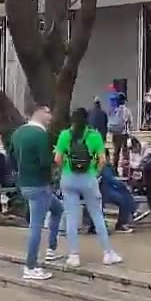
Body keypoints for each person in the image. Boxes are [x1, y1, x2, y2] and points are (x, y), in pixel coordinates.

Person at [55, 107, 122, 268]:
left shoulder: (65, 135)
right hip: (88, 179)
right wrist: (95, 173)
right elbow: (103, 160)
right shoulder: (94, 136)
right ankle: (107, 253)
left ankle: (74, 255)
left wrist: (64, 169)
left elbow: (57, 159)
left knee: (71, 217)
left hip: (68, 179)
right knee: (97, 215)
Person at [10, 106, 64, 280]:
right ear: (39, 112)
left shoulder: (18, 133)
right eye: (48, 113)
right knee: (36, 226)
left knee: (57, 208)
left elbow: (10, 158)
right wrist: (55, 154)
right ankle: (30, 266)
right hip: (39, 185)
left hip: (26, 184)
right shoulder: (40, 135)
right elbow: (45, 162)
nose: (50, 118)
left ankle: (51, 249)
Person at [100, 149, 138, 233]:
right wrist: (121, 184)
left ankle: (132, 211)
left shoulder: (107, 167)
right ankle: (123, 222)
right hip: (104, 191)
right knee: (123, 199)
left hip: (108, 189)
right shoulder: (104, 167)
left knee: (125, 194)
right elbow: (110, 179)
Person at [107, 92, 133, 174]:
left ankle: (114, 170)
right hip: (124, 134)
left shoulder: (114, 110)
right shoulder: (126, 110)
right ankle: (125, 171)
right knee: (125, 153)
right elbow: (130, 122)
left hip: (115, 134)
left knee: (116, 152)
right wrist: (130, 132)